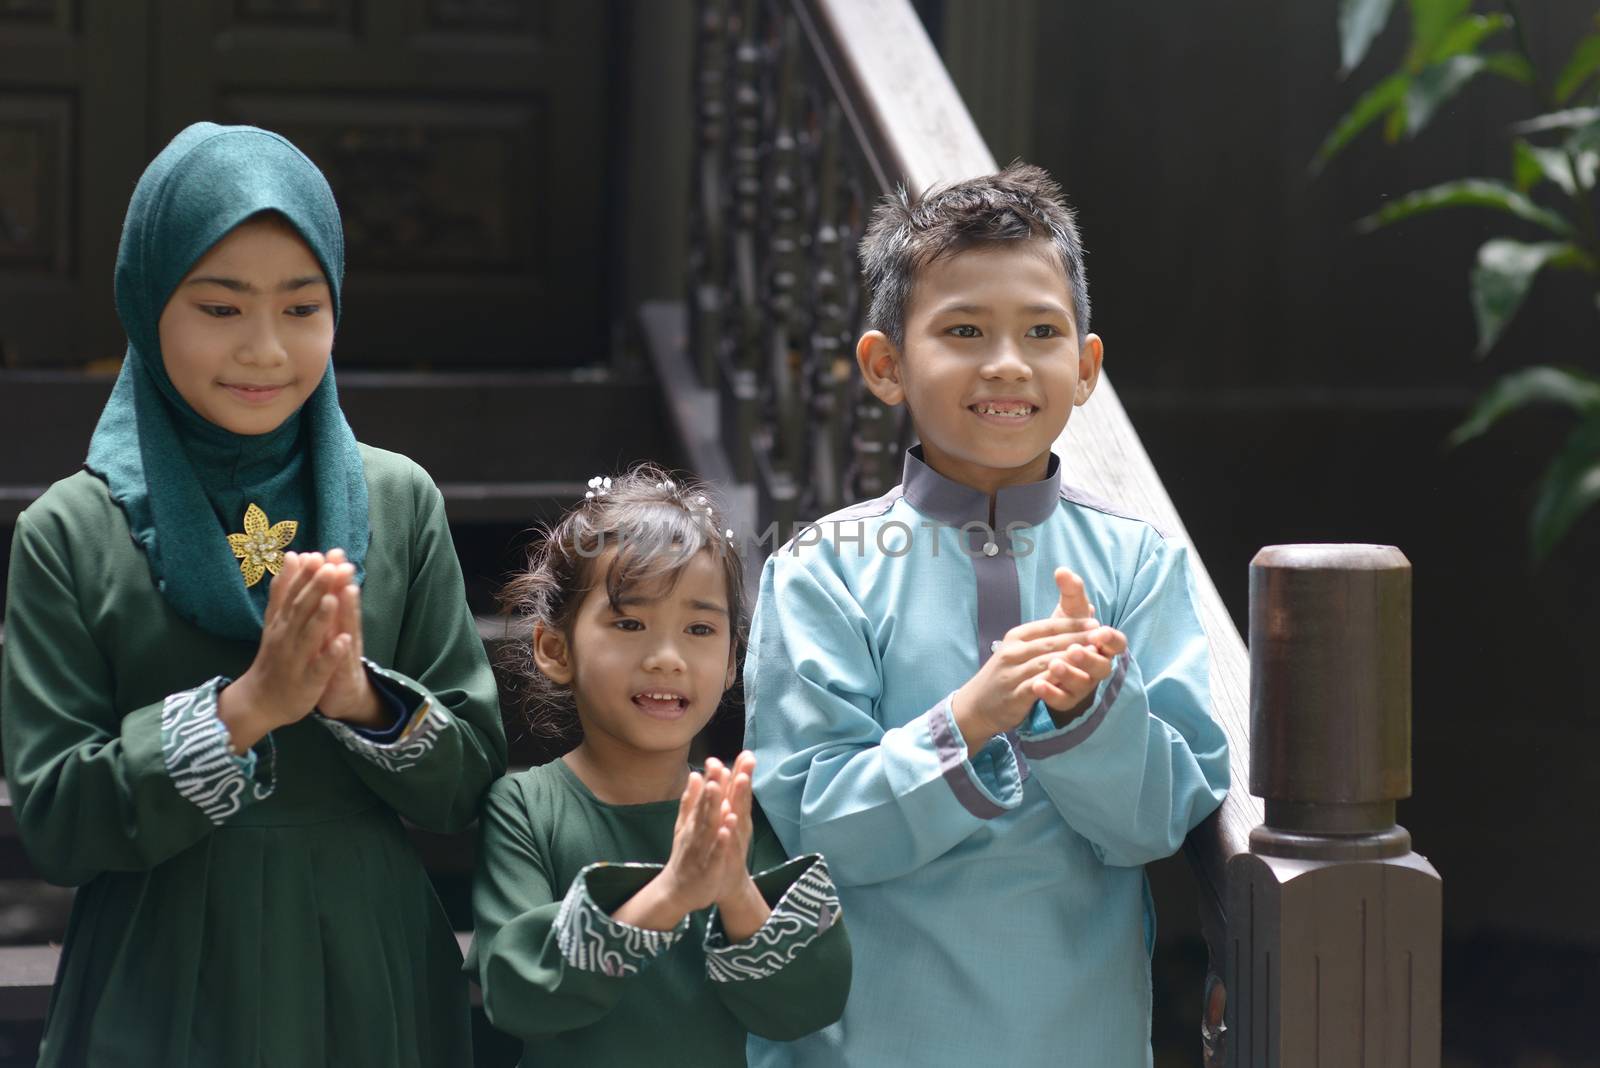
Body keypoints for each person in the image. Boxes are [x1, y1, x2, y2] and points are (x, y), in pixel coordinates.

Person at [0, 122, 507, 1067]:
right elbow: (58, 821)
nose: (266, 350)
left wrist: (360, 697)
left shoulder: (397, 504)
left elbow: (469, 780)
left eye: (302, 308)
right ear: (148, 301)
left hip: (367, 966)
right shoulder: (71, 533)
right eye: (221, 309)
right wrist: (243, 712)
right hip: (159, 974)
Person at [742, 163, 1230, 1066]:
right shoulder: (819, 572)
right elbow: (818, 825)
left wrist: (1090, 714)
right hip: (872, 1032)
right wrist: (974, 714)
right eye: (963, 329)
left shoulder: (1137, 563)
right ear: (887, 366)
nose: (1006, 362)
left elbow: (1157, 821)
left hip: (1076, 1031)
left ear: (1084, 369)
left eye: (1042, 331)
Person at [471, 465, 850, 1066]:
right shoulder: (526, 808)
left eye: (700, 628)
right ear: (555, 648)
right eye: (629, 623)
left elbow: (807, 1006)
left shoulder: (738, 812)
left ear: (731, 662)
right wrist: (672, 893)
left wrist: (733, 890)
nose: (668, 658)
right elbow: (516, 992)